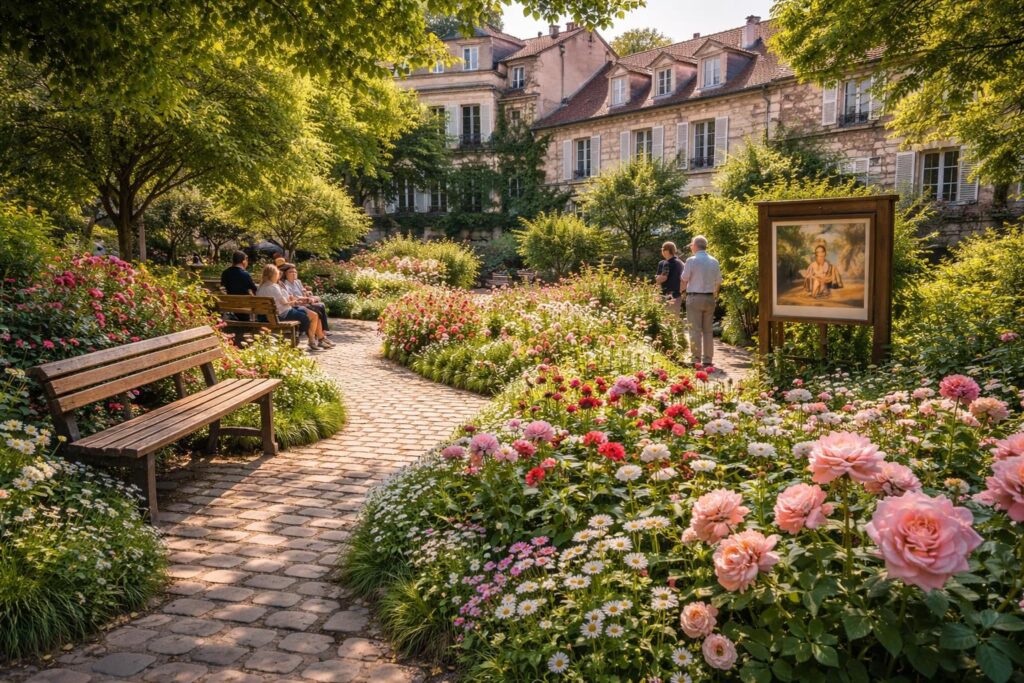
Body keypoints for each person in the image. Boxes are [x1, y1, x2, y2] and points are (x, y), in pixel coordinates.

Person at [256, 264, 325, 351]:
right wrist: (295, 302)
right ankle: (297, 335)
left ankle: (306, 339)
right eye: (277, 274)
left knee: (304, 313)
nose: (278, 276)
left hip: (264, 316)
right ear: (273, 275)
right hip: (280, 315)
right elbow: (284, 303)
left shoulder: (261, 287)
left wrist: (293, 301)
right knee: (305, 317)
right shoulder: (274, 287)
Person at [680, 235, 722, 368]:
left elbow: (685, 278)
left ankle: (696, 359)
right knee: (708, 330)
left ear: (696, 246)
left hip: (694, 297)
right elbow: (718, 282)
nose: (691, 247)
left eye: (691, 245)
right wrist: (714, 295)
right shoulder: (714, 261)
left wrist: (680, 292)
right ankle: (708, 359)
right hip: (709, 297)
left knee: (695, 329)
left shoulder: (691, 260)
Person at [279, 263, 333, 346]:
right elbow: (292, 298)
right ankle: (321, 336)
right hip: (297, 304)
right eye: (291, 272)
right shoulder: (285, 284)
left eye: (295, 272)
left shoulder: (298, 282)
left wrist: (307, 294)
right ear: (285, 274)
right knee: (318, 308)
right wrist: (307, 299)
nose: (294, 274)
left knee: (320, 306)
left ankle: (321, 336)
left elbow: (302, 293)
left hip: (303, 302)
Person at [654, 241, 684, 318]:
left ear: (666, 251)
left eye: (662, 249)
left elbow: (663, 278)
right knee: (674, 320)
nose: (662, 251)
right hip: (677, 295)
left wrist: (657, 278)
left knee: (665, 321)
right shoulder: (681, 263)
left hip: (666, 296)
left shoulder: (665, 263)